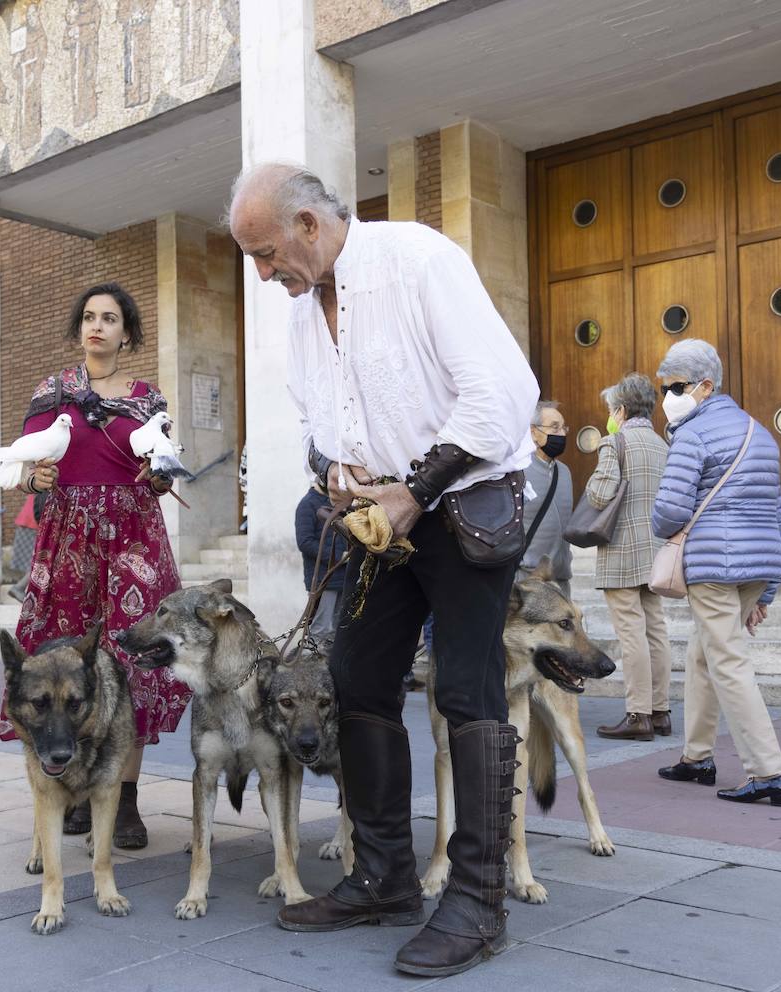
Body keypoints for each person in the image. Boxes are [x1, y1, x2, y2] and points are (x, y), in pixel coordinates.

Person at [229, 162, 538, 977]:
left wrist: (417, 488)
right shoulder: (303, 311)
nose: (263, 275)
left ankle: (476, 903)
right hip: (375, 520)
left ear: (306, 224)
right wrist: (331, 469)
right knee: (358, 682)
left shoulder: (417, 259)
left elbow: (503, 393)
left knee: (467, 692)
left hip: (460, 506)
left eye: (265, 254)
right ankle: (385, 876)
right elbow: (319, 420)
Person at [0, 282, 191, 847]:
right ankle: (72, 791)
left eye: (109, 318)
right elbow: (25, 466)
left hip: (133, 540)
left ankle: (123, 799)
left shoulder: (148, 399)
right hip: (68, 542)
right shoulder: (53, 391)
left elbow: (161, 471)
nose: (97, 326)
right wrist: (37, 479)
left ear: (127, 332)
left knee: (131, 670)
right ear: (79, 328)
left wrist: (159, 478)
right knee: (63, 668)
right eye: (88, 317)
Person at [650, 339, 781, 806]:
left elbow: (670, 512)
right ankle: (697, 757)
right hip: (757, 563)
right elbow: (778, 514)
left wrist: (660, 524)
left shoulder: (693, 434)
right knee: (702, 654)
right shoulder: (759, 433)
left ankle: (768, 771)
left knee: (727, 661)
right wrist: (767, 591)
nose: (668, 396)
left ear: (705, 386)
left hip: (713, 565)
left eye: (675, 386)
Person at [587, 373, 672, 742]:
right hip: (655, 548)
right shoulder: (662, 445)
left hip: (622, 549)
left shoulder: (614, 442)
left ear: (620, 409)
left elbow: (599, 496)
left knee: (631, 633)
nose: (609, 415)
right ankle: (660, 711)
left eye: (610, 409)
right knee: (655, 629)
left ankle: (637, 714)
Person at [520, 401, 573, 597]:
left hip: (560, 581)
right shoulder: (519, 471)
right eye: (554, 427)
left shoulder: (565, 472)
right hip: (527, 580)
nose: (561, 434)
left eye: (563, 427)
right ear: (533, 432)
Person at [294, 482, 347, 642]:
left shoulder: (338, 501)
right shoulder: (307, 504)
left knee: (340, 632)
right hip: (323, 580)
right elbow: (305, 542)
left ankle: (333, 667)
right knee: (320, 631)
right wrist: (339, 556)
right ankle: (311, 666)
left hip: (344, 578)